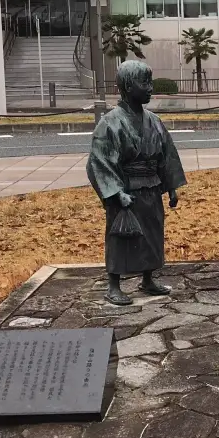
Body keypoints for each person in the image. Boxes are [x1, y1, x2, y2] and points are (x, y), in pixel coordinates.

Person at [86, 60, 187, 305]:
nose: (151, 88)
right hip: (125, 190)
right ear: (129, 87)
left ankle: (148, 278)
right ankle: (113, 285)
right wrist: (116, 192)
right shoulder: (110, 123)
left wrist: (170, 187)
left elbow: (166, 155)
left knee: (152, 234)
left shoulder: (153, 121)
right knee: (121, 236)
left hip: (151, 188)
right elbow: (98, 162)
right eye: (145, 83)